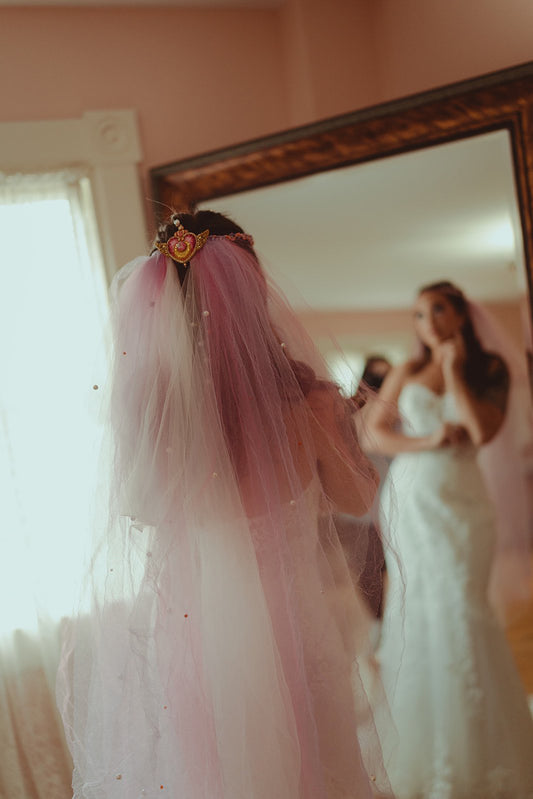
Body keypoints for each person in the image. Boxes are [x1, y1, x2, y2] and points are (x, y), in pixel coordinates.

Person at [57, 211, 392, 799]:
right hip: (296, 628)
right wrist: (342, 433)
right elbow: (357, 496)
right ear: (252, 291)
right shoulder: (306, 401)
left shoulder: (147, 408)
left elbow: (140, 509)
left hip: (196, 635)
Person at [365, 280, 533, 799]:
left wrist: (455, 368)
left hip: (464, 508)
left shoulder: (490, 370)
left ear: (460, 314)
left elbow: (483, 434)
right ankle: (425, 752)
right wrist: (428, 439)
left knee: (464, 610)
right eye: (418, 314)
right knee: (418, 615)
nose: (428, 321)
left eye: (438, 309)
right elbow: (375, 432)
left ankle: (483, 749)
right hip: (415, 503)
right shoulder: (406, 371)